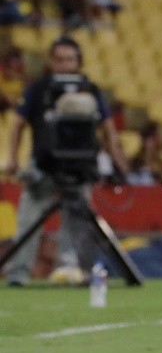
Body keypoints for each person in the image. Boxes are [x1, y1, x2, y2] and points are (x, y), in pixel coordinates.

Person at [3, 36, 130, 287]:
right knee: (28, 220)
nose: (64, 64)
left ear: (79, 62)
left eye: (70, 59)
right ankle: (18, 274)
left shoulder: (91, 90)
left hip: (79, 167)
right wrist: (13, 159)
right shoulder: (38, 89)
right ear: (50, 62)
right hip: (43, 165)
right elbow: (18, 124)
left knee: (76, 223)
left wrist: (118, 162)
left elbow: (107, 128)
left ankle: (68, 270)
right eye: (59, 59)